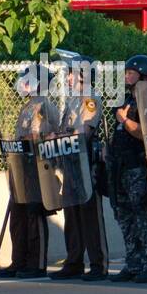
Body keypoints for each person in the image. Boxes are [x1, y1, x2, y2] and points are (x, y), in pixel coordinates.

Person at [49, 53, 108, 281]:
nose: (69, 78)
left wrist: (66, 134)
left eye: (72, 73)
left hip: (86, 165)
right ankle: (73, 261)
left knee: (90, 215)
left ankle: (97, 263)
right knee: (72, 215)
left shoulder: (90, 99)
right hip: (70, 165)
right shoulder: (74, 100)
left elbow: (85, 131)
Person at [109, 55, 147, 283]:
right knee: (125, 216)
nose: (126, 75)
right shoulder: (125, 100)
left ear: (143, 75)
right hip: (121, 166)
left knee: (144, 216)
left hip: (139, 167)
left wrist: (125, 121)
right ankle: (134, 262)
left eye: (131, 72)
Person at [0, 65, 51, 280]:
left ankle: (36, 263)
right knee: (18, 213)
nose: (23, 83)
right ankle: (19, 260)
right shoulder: (28, 105)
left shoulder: (43, 105)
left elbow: (40, 137)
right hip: (21, 167)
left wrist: (26, 141)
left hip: (36, 166)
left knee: (33, 212)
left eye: (29, 79)